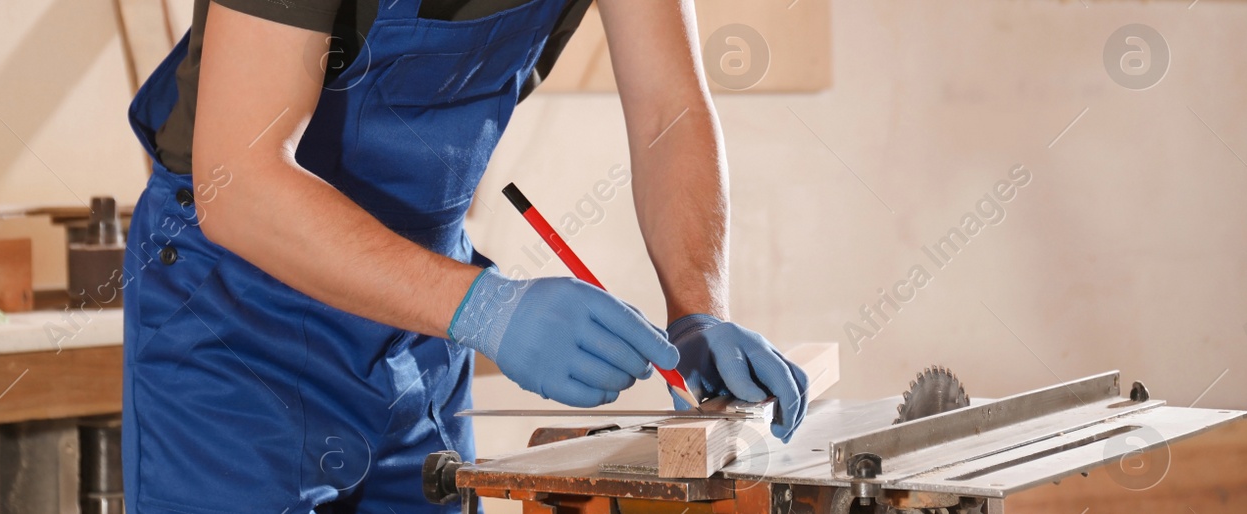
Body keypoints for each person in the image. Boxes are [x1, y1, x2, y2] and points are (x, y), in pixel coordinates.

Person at [121, 0, 810, 512]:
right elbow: (240, 184)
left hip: (421, 325)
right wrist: (487, 309)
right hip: (240, 322)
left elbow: (670, 112)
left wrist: (697, 310)